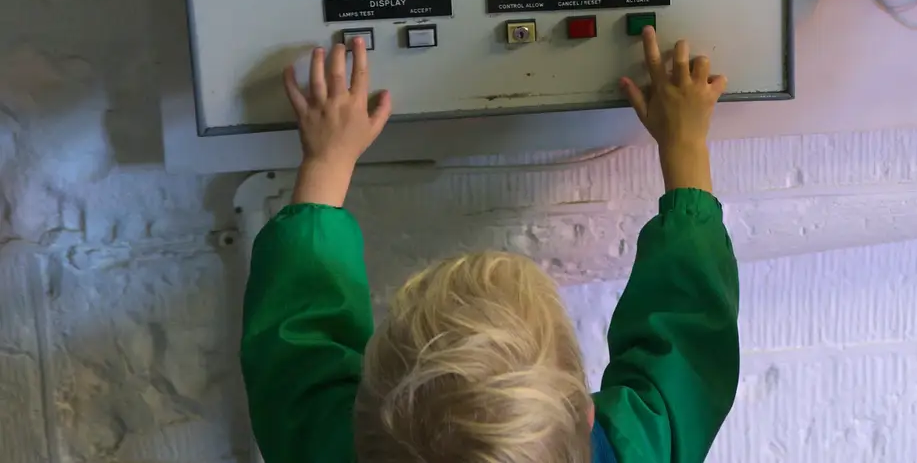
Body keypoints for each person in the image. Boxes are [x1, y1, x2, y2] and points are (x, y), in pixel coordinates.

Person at [241, 27, 738, 463]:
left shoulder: (340, 447)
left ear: (364, 415)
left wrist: (326, 160)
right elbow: (688, 338)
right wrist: (686, 143)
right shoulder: (634, 450)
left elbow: (296, 343)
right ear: (584, 414)